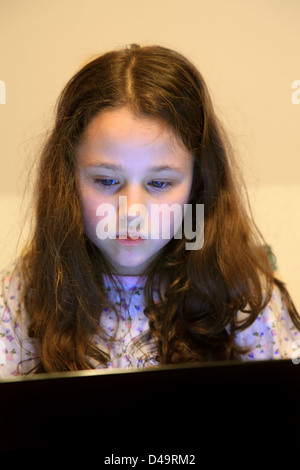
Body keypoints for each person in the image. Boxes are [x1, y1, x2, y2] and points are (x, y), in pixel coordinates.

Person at [0, 43, 299, 377]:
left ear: (197, 186)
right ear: (67, 179)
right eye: (105, 180)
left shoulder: (245, 301)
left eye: (159, 184)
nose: (132, 211)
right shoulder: (19, 300)